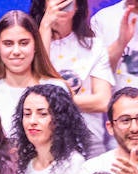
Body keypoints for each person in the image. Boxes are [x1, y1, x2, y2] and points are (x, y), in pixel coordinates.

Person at [33, 0, 114, 149]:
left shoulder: (95, 46)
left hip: (89, 140)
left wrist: (55, 103)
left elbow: (103, 101)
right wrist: (45, 26)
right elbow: (35, 88)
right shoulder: (28, 44)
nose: (61, 3)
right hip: (44, 143)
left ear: (78, 4)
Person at [0, 9, 69, 132]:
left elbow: (68, 141)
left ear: (36, 45)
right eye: (8, 44)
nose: (16, 51)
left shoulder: (56, 88)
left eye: (23, 43)